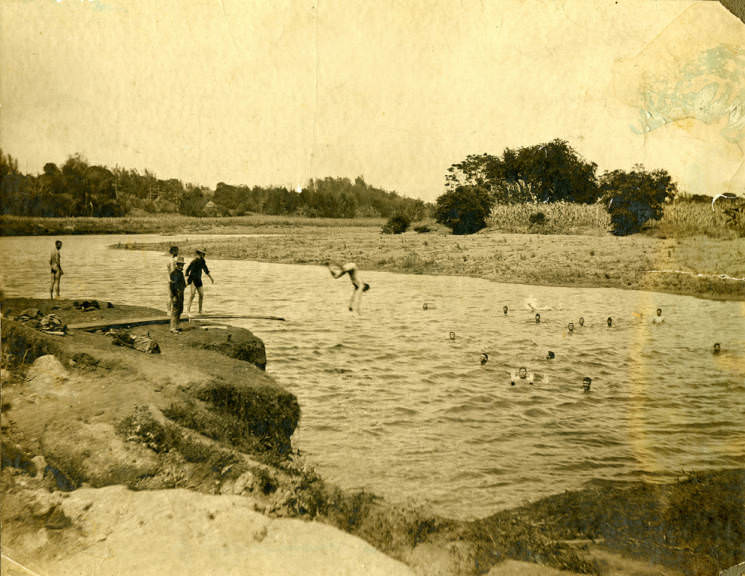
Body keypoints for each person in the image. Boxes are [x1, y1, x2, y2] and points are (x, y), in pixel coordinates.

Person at [186, 249, 214, 315]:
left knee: (201, 295)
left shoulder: (202, 261)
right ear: (200, 254)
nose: (204, 255)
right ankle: (188, 311)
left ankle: (200, 310)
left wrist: (211, 278)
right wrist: (188, 281)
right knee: (192, 295)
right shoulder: (194, 261)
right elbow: (188, 270)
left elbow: (206, 270)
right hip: (193, 279)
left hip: (198, 280)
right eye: (203, 254)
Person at [169, 256, 186, 333]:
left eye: (182, 265)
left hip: (181, 294)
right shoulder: (174, 273)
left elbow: (183, 284)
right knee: (175, 311)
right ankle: (172, 328)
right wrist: (174, 295)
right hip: (176, 294)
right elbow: (172, 286)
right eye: (180, 264)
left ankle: (176, 326)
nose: (181, 266)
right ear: (177, 265)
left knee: (179, 310)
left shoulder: (181, 273)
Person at [166, 246, 179, 311]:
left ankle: (169, 310)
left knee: (170, 296)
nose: (178, 252)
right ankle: (171, 310)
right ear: (174, 252)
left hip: (170, 279)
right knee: (174, 296)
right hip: (174, 279)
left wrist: (169, 279)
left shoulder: (169, 260)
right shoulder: (176, 260)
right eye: (177, 251)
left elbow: (168, 270)